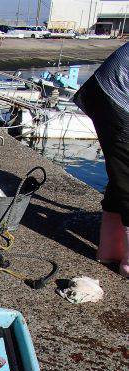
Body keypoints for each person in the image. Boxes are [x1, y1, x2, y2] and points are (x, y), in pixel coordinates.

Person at [73, 42, 129, 277]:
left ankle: (110, 250)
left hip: (107, 92)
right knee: (127, 177)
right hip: (116, 98)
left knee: (121, 176)